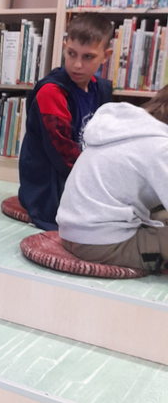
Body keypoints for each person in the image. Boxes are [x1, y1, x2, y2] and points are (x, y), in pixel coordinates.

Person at [18, 13, 113, 230]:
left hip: (81, 174)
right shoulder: (52, 92)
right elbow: (63, 155)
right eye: (71, 53)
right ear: (64, 47)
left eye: (88, 57)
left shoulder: (101, 89)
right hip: (49, 185)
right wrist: (98, 185)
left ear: (105, 56)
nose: (77, 64)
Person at [57, 88, 168, 274]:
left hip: (73, 230)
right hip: (101, 243)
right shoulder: (161, 147)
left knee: (161, 214)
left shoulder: (128, 127)